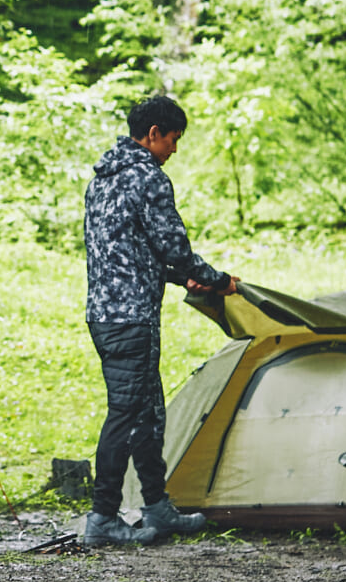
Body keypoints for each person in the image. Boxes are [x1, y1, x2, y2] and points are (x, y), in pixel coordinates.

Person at [81, 93, 237, 549]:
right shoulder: (148, 178)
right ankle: (102, 516)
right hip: (132, 319)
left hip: (105, 314)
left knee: (149, 411)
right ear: (153, 135)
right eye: (173, 140)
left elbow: (127, 251)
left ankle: (157, 506)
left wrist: (177, 277)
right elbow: (173, 247)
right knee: (127, 414)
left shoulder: (102, 179)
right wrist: (217, 279)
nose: (174, 149)